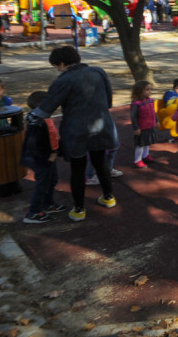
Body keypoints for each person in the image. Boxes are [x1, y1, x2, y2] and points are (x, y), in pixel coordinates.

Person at [31, 45, 118, 223]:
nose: (57, 69)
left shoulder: (64, 80)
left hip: (77, 130)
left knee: (78, 169)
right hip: (101, 125)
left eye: (57, 65)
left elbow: (47, 107)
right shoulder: (98, 72)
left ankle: (79, 210)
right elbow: (108, 99)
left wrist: (32, 118)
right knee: (100, 163)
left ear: (62, 63)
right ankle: (108, 197)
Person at [20, 91, 66, 224]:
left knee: (52, 180)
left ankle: (48, 204)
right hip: (41, 158)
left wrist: (57, 151)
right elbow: (35, 144)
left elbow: (52, 136)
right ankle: (33, 212)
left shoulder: (44, 117)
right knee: (43, 184)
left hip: (48, 156)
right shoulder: (37, 122)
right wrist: (48, 155)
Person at [129, 80, 158, 169]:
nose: (150, 91)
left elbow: (154, 112)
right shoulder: (136, 104)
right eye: (147, 90)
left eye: (150, 89)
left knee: (147, 142)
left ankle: (145, 156)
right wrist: (136, 128)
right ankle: (137, 160)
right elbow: (133, 117)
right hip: (142, 127)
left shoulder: (150, 101)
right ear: (139, 91)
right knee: (140, 144)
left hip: (150, 126)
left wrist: (157, 121)